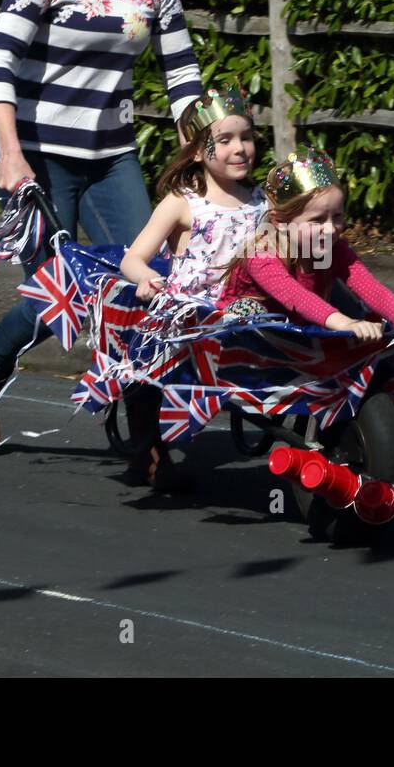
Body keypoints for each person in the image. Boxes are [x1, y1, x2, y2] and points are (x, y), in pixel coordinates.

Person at [0, 0, 203, 453]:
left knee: (152, 286)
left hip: (112, 154)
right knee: (59, 301)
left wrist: (199, 149)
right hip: (40, 155)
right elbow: (0, 59)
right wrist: (9, 152)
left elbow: (181, 74)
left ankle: (148, 434)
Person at [116, 82, 267, 488]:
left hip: (246, 311)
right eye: (225, 139)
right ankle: (147, 445)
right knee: (145, 356)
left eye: (246, 137)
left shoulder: (262, 200)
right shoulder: (184, 201)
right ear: (200, 152)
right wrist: (148, 279)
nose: (240, 148)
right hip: (189, 312)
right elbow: (133, 258)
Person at [216, 147, 394, 346]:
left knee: (361, 310)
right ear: (280, 222)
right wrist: (347, 324)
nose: (330, 228)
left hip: (296, 324)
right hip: (243, 337)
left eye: (337, 217)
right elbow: (297, 298)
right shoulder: (261, 256)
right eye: (317, 220)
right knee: (247, 312)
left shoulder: (333, 248)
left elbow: (371, 288)